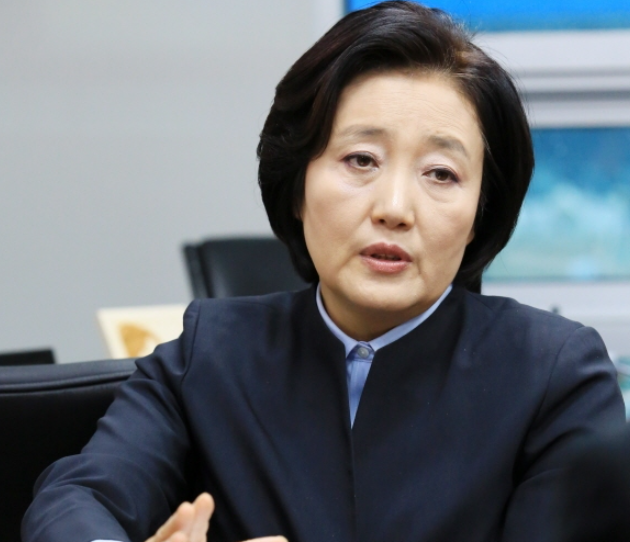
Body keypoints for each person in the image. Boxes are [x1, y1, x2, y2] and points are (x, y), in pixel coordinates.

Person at [23, 2, 624, 542]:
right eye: (360, 159)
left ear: (479, 215)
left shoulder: (555, 374)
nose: (394, 207)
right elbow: (77, 499)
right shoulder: (211, 352)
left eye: (441, 173)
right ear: (296, 187)